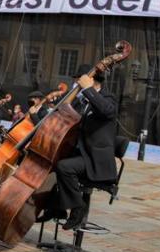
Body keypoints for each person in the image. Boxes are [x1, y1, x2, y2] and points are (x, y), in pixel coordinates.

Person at [51, 65, 119, 231]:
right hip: (82, 154)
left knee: (64, 167)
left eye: (78, 80)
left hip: (96, 160)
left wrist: (88, 89)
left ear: (90, 80)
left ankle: (77, 208)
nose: (76, 83)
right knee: (53, 164)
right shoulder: (81, 101)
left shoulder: (107, 98)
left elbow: (106, 111)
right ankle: (55, 208)